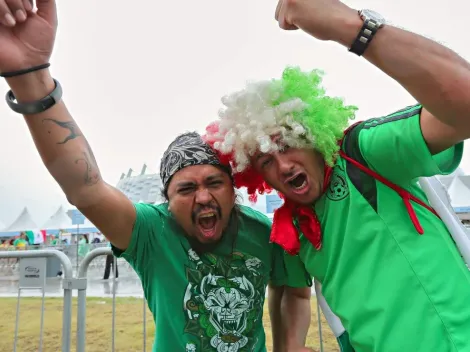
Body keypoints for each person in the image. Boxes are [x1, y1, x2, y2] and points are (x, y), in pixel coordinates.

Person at [0, 2, 311, 350]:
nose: (204, 197)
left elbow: (293, 290)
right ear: (167, 199)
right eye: (186, 188)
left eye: (214, 183)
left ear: (233, 186)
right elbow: (84, 187)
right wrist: (32, 77)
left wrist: (290, 346)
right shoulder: (151, 232)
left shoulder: (266, 234)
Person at [204, 1, 470, 351]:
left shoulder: (363, 153)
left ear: (313, 134)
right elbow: (294, 294)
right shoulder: (292, 227)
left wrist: (354, 29)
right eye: (265, 161)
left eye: (288, 142)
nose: (282, 166)